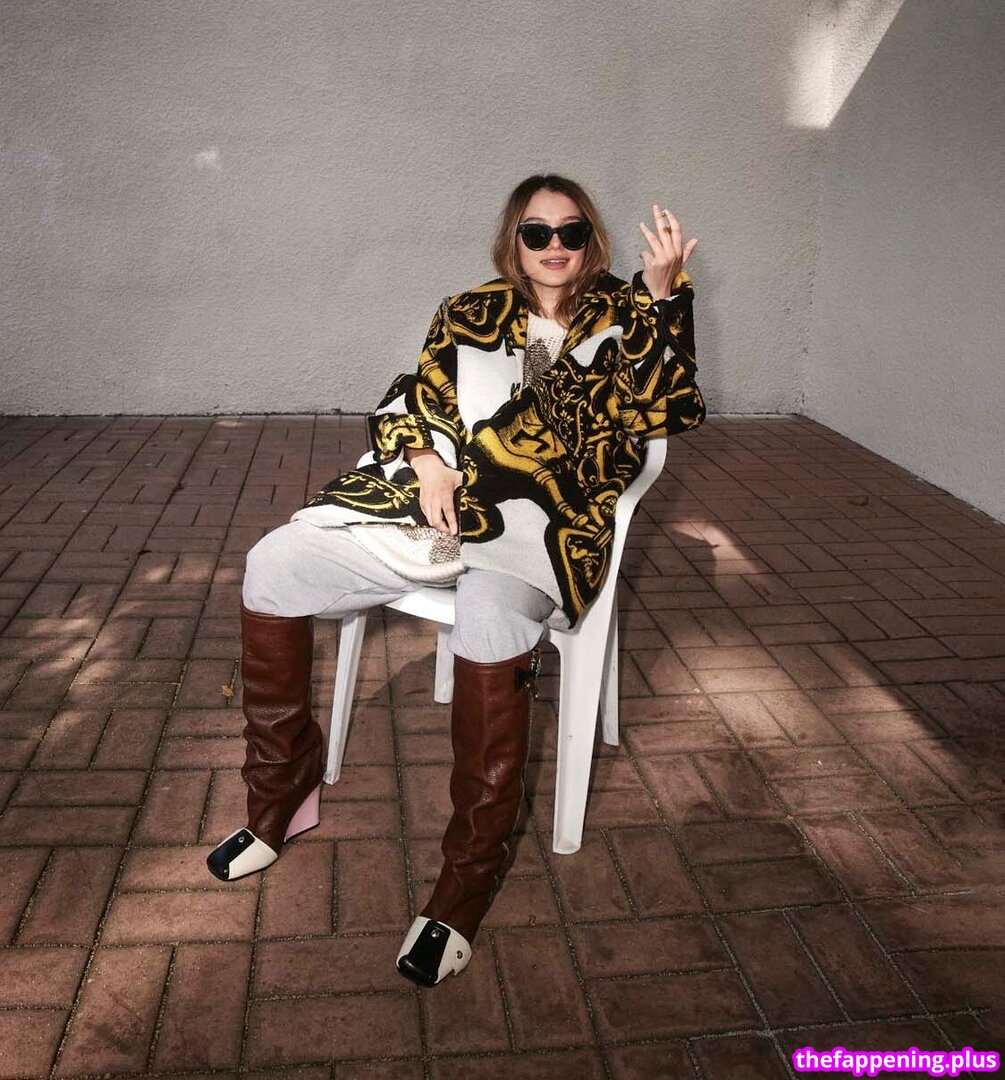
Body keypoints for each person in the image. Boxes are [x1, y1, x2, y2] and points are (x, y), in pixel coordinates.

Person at [205, 174, 707, 987]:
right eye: (536, 232)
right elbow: (415, 394)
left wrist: (660, 296)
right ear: (513, 240)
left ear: (591, 241)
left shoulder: (624, 312)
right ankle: (281, 794)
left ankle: (467, 878)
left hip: (546, 524)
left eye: (571, 232)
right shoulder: (471, 309)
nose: (553, 247)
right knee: (274, 563)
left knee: (488, 620)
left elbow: (671, 406)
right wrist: (427, 460)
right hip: (435, 511)